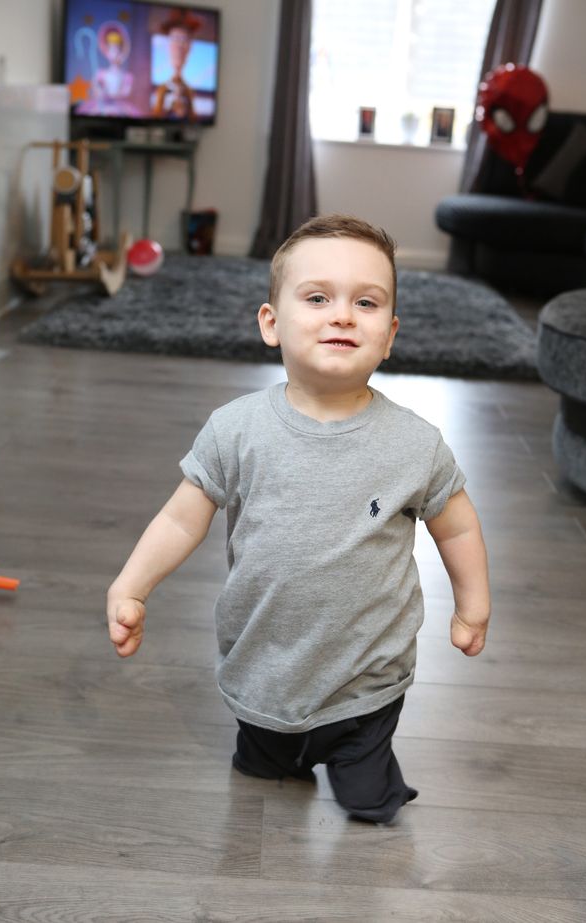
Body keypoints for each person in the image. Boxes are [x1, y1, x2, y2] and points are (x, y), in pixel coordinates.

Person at [106, 214, 491, 825]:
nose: (343, 316)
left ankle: (369, 777)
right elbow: (181, 520)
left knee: (367, 801)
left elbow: (459, 525)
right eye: (317, 298)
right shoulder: (236, 430)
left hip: (368, 678)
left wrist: (472, 606)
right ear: (271, 323)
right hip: (264, 662)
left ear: (389, 335)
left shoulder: (415, 445)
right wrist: (131, 586)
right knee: (265, 765)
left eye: (366, 303)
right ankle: (278, 752)